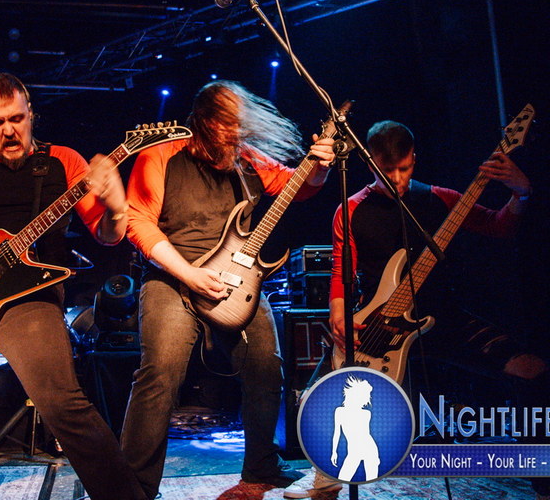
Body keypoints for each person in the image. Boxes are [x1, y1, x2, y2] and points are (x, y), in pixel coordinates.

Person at [0, 73, 146, 500]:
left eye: (16, 119)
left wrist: (115, 207)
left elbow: (107, 236)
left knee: (64, 407)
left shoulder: (63, 161)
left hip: (30, 300)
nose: (9, 130)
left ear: (31, 114)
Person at [120, 80, 336, 499]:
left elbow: (298, 186)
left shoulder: (248, 159)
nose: (236, 132)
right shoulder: (160, 155)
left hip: (237, 279)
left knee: (266, 367)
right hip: (173, 276)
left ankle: (261, 467)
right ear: (202, 121)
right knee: (160, 372)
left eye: (240, 123)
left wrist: (322, 166)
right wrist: (189, 274)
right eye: (227, 124)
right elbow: (138, 221)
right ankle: (132, 487)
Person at [324, 120, 548, 499]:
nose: (397, 179)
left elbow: (498, 226)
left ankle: (542, 486)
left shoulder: (442, 198)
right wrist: (338, 313)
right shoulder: (351, 209)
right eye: (387, 170)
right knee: (336, 404)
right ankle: (326, 479)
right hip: (381, 330)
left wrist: (520, 193)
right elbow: (339, 270)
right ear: (370, 161)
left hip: (444, 319)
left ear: (414, 158)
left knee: (532, 370)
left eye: (404, 168)